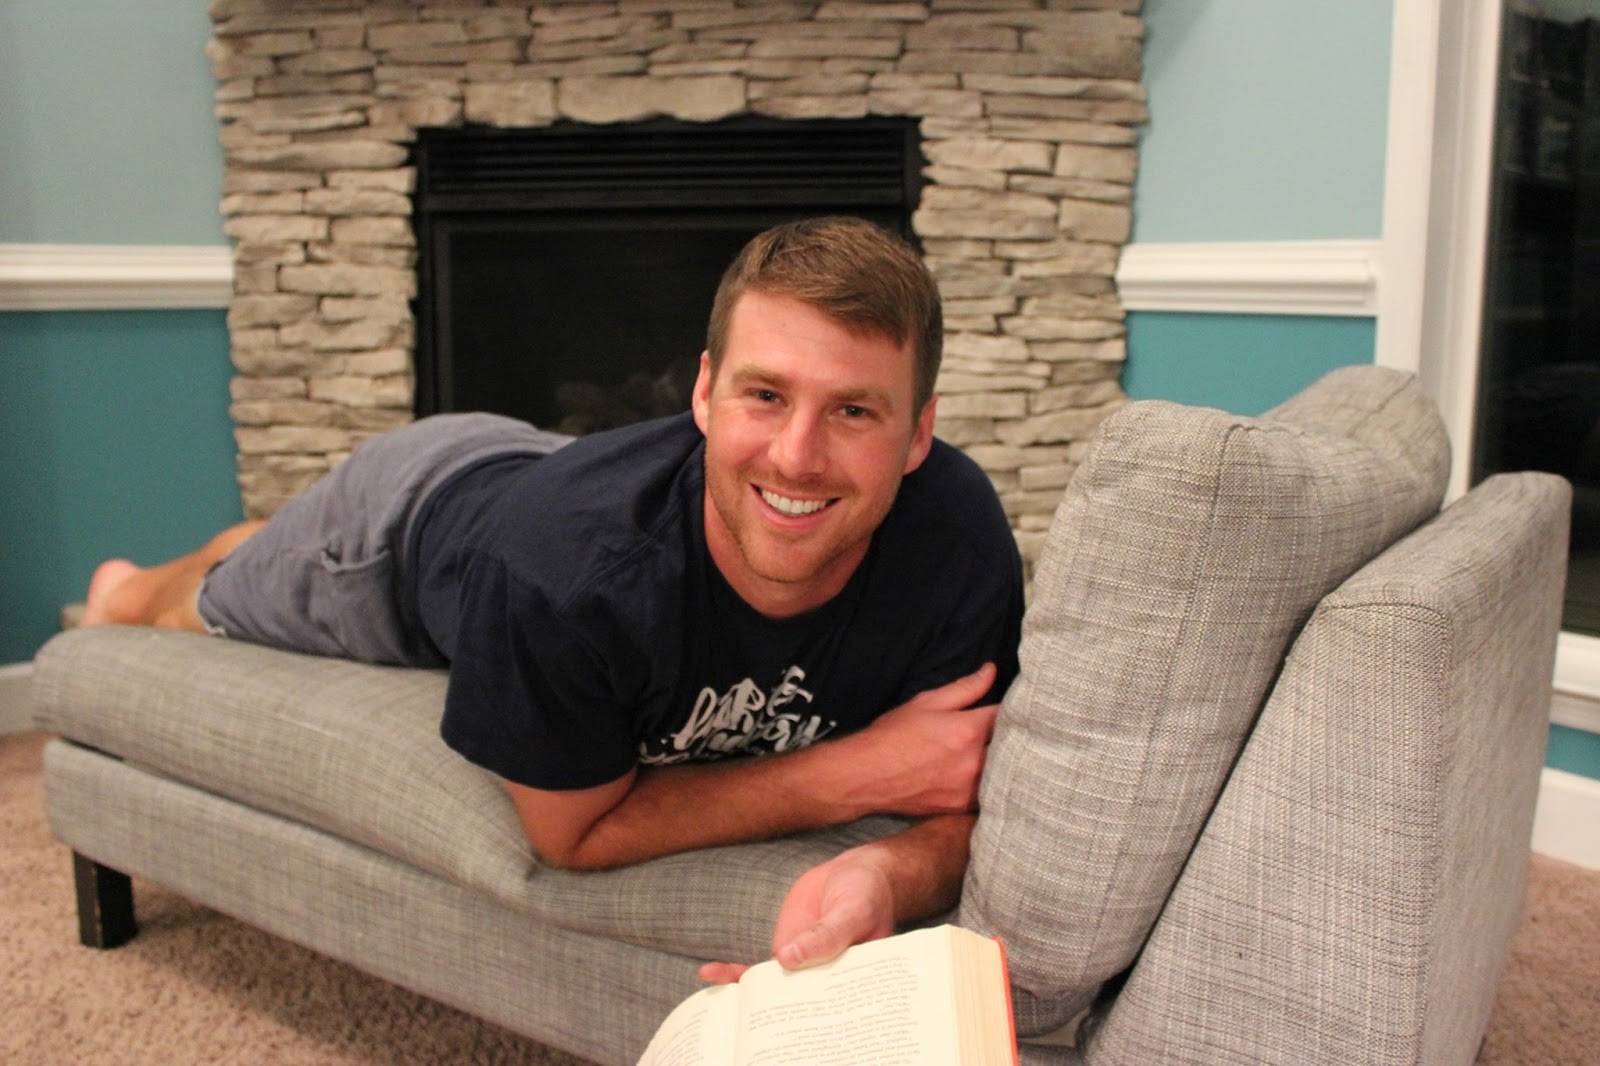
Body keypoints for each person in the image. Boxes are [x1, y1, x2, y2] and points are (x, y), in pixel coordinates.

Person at [83, 215, 1024, 977]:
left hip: (556, 484)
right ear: (704, 394)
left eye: (853, 410)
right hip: (397, 535)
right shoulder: (556, 572)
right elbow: (573, 834)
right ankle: (146, 582)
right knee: (192, 604)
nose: (797, 456)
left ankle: (252, 542)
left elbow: (958, 792)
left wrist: (891, 873)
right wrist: (853, 775)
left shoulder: (956, 541)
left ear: (918, 434)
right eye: (765, 396)